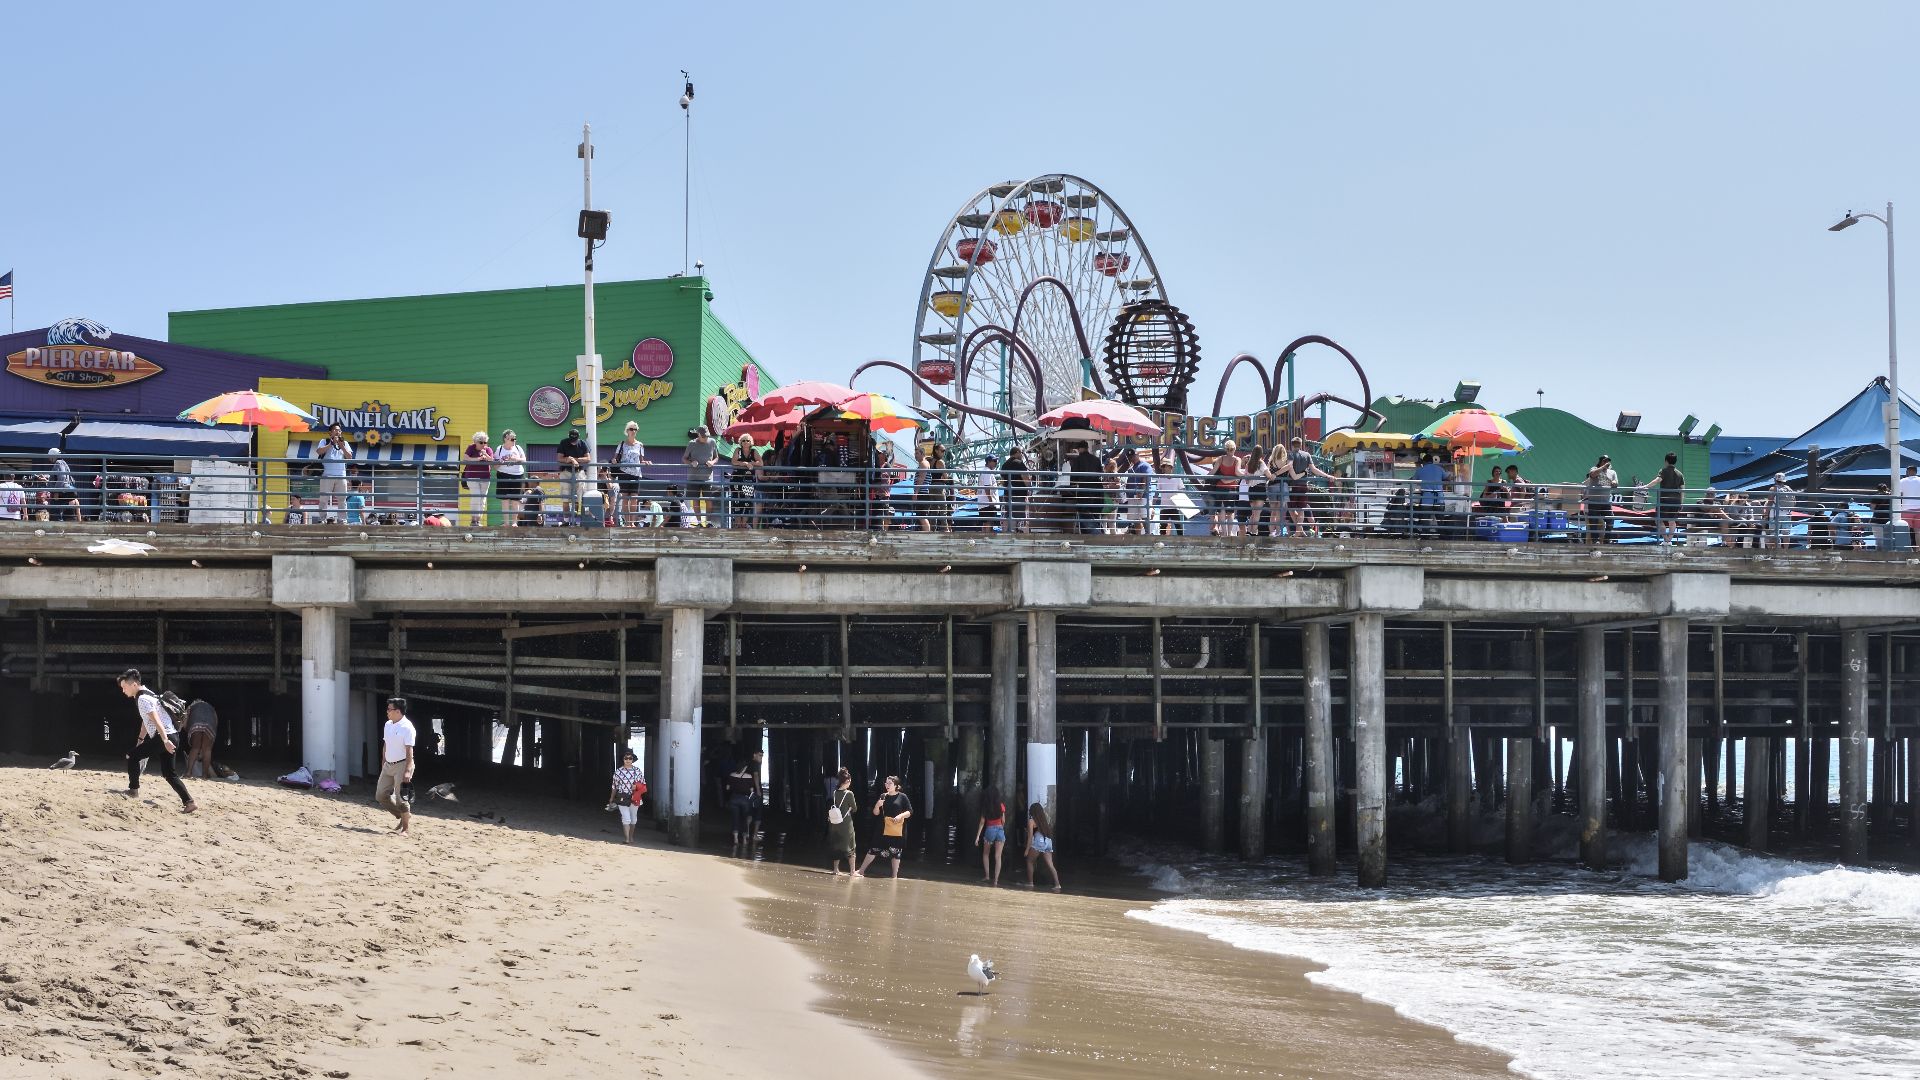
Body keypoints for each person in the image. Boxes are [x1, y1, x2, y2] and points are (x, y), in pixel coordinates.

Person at [118, 669, 196, 813]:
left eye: (124, 687)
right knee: (169, 774)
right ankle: (189, 802)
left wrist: (165, 740)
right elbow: (146, 721)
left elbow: (156, 720)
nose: (123, 691)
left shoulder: (142, 699)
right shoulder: (149, 694)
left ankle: (133, 791)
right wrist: (141, 739)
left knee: (132, 756)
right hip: (173, 736)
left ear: (134, 684)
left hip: (164, 737)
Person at [853, 775, 912, 879]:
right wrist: (877, 805)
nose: (887, 785)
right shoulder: (883, 796)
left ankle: (894, 875)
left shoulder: (902, 797)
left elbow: (910, 811)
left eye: (890, 783)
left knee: (896, 852)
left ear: (896, 786)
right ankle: (861, 871)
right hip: (882, 827)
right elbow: (876, 813)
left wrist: (900, 815)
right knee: (874, 848)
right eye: (886, 783)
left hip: (896, 828)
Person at [376, 697, 416, 835]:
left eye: (389, 709)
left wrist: (408, 770)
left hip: (402, 764)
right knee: (380, 795)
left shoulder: (407, 727)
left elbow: (409, 750)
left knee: (402, 798)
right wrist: (383, 760)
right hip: (389, 764)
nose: (387, 711)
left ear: (398, 711)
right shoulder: (388, 724)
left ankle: (405, 829)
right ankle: (402, 815)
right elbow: (386, 744)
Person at [611, 422, 647, 527]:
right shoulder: (622, 444)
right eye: (631, 429)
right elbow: (615, 457)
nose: (633, 431)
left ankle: (632, 523)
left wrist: (647, 462)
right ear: (627, 431)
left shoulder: (640, 445)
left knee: (634, 498)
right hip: (624, 473)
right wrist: (614, 460)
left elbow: (641, 460)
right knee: (625, 499)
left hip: (636, 473)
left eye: (635, 429)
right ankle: (627, 523)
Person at [1644, 452, 1684, 544]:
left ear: (1666, 461)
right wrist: (1681, 502)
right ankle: (1669, 540)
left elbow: (1657, 480)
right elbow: (1682, 489)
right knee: (1672, 521)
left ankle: (1666, 539)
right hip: (1676, 500)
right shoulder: (1680, 474)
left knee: (1658, 520)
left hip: (1664, 499)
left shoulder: (1663, 471)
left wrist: (1646, 486)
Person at [316, 426, 354, 524]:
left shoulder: (345, 443)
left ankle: (342, 520)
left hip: (341, 475)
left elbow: (349, 457)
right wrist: (331, 444)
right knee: (324, 499)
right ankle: (322, 519)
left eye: (339, 430)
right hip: (326, 474)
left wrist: (341, 446)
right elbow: (319, 451)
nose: (338, 432)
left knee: (342, 499)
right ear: (330, 432)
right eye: (336, 430)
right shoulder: (324, 441)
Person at [608, 749, 646, 844]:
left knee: (633, 818)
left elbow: (643, 784)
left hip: (634, 797)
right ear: (623, 759)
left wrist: (636, 786)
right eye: (626, 758)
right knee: (626, 818)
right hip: (622, 797)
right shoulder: (618, 772)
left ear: (633, 760)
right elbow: (614, 786)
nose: (628, 760)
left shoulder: (637, 771)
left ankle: (631, 836)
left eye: (630, 758)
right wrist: (611, 798)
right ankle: (627, 839)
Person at [683, 427, 718, 527]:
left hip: (708, 477)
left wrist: (712, 462)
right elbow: (684, 458)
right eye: (703, 436)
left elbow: (716, 457)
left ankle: (708, 523)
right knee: (695, 499)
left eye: (707, 436)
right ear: (698, 435)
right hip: (693, 477)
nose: (705, 438)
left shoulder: (713, 442)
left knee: (709, 500)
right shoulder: (691, 443)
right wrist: (691, 462)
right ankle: (698, 523)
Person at [724, 752, 760, 851]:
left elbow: (727, 788)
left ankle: (736, 839)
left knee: (735, 819)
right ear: (744, 767)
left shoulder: (732, 775)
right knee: (745, 819)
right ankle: (744, 839)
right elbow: (752, 791)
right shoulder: (748, 776)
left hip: (734, 799)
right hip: (744, 800)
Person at [973, 789, 1008, 887]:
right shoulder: (1001, 805)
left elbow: (982, 822)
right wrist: (1000, 828)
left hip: (990, 830)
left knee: (986, 854)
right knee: (998, 856)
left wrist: (977, 837)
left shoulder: (986, 806)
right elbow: (1003, 821)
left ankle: (987, 876)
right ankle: (996, 880)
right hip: (1000, 830)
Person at [827, 767, 859, 875]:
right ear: (847, 781)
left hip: (835, 823)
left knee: (837, 845)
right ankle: (852, 871)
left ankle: (835, 870)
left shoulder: (835, 792)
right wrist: (849, 808)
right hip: (846, 823)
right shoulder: (849, 793)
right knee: (851, 846)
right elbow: (855, 808)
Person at [555, 429, 591, 523]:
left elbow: (588, 458)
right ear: (569, 436)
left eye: (575, 439)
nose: (573, 441)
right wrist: (569, 460)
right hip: (566, 472)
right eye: (571, 438)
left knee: (580, 497)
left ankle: (577, 521)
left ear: (578, 437)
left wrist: (573, 459)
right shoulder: (563, 442)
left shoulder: (582, 443)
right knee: (565, 498)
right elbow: (559, 458)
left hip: (579, 472)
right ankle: (566, 521)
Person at [494, 430, 528, 527]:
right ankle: (506, 522)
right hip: (503, 474)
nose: (514, 440)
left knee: (515, 500)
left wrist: (516, 459)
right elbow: (495, 466)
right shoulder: (499, 449)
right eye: (512, 438)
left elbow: (524, 460)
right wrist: (501, 461)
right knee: (504, 500)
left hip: (517, 475)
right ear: (505, 438)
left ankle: (514, 522)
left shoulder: (518, 448)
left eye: (515, 438)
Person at [1024, 802, 1061, 891]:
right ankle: (1057, 884)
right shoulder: (1044, 819)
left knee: (1029, 861)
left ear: (1032, 811)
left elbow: (1030, 838)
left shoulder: (1031, 821)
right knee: (1050, 865)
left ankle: (1030, 883)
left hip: (1039, 841)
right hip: (1048, 841)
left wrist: (1027, 850)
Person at [1582, 455, 1618, 546]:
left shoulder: (1612, 472)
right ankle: (1595, 540)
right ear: (1600, 462)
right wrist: (1602, 468)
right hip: (1594, 501)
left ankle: (1607, 538)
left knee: (1610, 519)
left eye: (1608, 461)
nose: (1607, 463)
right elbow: (1592, 474)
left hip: (1605, 501)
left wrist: (1614, 483)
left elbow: (1616, 483)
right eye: (1605, 461)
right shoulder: (1594, 468)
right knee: (1593, 522)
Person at [461, 431, 494, 526]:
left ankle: (478, 520)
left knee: (482, 499)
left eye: (485, 442)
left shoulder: (488, 450)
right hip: (472, 476)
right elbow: (466, 458)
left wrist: (486, 455)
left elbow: (492, 460)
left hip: (485, 477)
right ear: (476, 442)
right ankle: (473, 520)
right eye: (481, 442)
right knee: (476, 497)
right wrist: (477, 459)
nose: (483, 444)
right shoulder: (471, 447)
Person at [183, 698, 219, 780]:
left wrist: (188, 731)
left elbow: (184, 722)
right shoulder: (210, 707)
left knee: (195, 748)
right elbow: (216, 720)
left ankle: (188, 773)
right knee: (207, 750)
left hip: (195, 724)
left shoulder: (191, 707)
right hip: (210, 726)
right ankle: (205, 775)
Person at [729, 435, 759, 529]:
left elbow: (760, 462)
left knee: (747, 502)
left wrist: (752, 463)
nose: (746, 442)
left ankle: (743, 524)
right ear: (741, 442)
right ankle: (738, 525)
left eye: (748, 440)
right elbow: (734, 461)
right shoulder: (738, 450)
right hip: (737, 481)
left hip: (749, 482)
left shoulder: (754, 451)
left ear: (751, 442)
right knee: (737, 503)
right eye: (743, 440)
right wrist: (745, 463)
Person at [1001, 447, 1032, 533]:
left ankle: (1009, 532)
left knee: (1009, 514)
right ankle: (1015, 533)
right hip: (1019, 494)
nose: (1022, 455)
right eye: (1021, 453)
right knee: (1018, 514)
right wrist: (1030, 488)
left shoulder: (1004, 465)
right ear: (1017, 452)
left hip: (1007, 494)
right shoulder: (1019, 463)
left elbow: (1003, 482)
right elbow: (1025, 478)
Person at [1765, 472, 1796, 549]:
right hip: (1787, 514)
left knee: (1774, 534)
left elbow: (1770, 502)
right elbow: (1794, 501)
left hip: (1775, 515)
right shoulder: (1789, 489)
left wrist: (1765, 514)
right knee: (1786, 534)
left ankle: (1777, 550)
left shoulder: (1773, 489)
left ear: (1775, 480)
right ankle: (1785, 551)